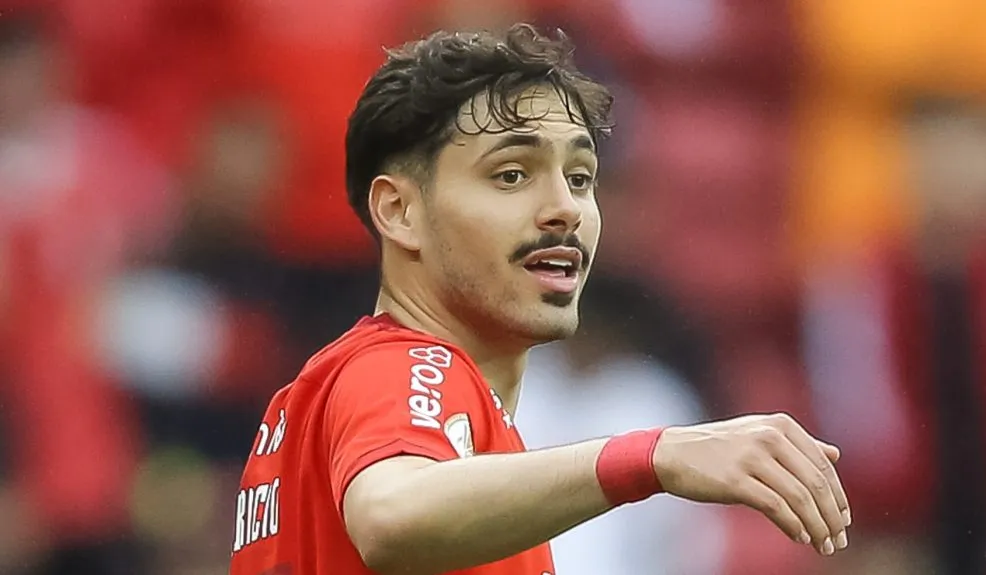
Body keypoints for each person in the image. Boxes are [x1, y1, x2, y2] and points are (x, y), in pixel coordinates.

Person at [228, 23, 852, 575]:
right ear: (400, 211)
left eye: (580, 179)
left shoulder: (349, 398)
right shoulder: (405, 367)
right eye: (511, 175)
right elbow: (390, 514)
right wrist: (652, 457)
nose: (565, 210)